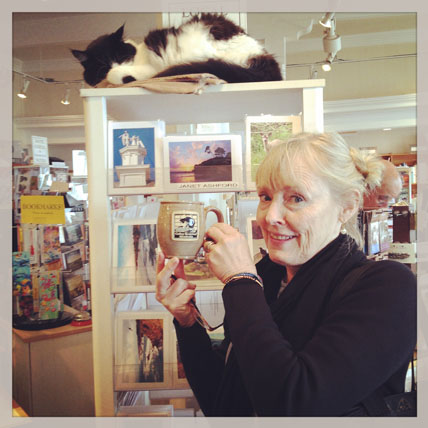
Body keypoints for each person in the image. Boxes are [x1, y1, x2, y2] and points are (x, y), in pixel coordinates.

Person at [156, 132, 416, 416]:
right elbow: (222, 401)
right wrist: (187, 323)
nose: (270, 216)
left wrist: (241, 282)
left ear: (347, 206)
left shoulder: (388, 288)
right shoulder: (264, 278)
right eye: (265, 197)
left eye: (296, 198)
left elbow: (294, 405)